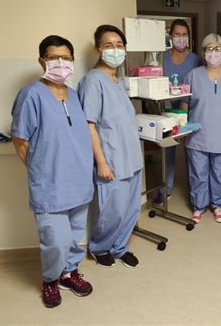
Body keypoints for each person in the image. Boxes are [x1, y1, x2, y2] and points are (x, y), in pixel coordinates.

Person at [11, 35, 93, 308]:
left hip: (79, 181)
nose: (61, 63)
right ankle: (50, 279)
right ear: (41, 61)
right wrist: (41, 172)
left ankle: (68, 273)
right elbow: (20, 140)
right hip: (51, 185)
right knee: (54, 241)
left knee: (73, 237)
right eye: (54, 57)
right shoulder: (31, 94)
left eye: (66, 58)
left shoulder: (75, 95)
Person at [78, 25, 143, 268]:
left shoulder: (117, 79)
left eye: (119, 45)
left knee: (131, 209)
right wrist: (102, 162)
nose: (115, 50)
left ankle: (120, 247)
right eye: (108, 45)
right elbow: (89, 125)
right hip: (113, 160)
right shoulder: (93, 81)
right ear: (98, 49)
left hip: (132, 157)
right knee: (112, 211)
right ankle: (100, 247)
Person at [180, 33, 221, 224]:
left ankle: (217, 205)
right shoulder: (192, 76)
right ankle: (199, 206)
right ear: (203, 53)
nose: (213, 53)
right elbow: (185, 103)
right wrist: (183, 128)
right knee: (198, 173)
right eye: (209, 49)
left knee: (220, 173)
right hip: (197, 136)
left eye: (217, 49)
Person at [152, 19, 202, 207]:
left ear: (188, 37)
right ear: (171, 36)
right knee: (168, 154)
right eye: (177, 34)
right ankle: (165, 190)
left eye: (184, 34)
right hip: (166, 112)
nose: (181, 38)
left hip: (190, 111)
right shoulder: (161, 58)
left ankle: (196, 194)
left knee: (193, 154)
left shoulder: (196, 59)